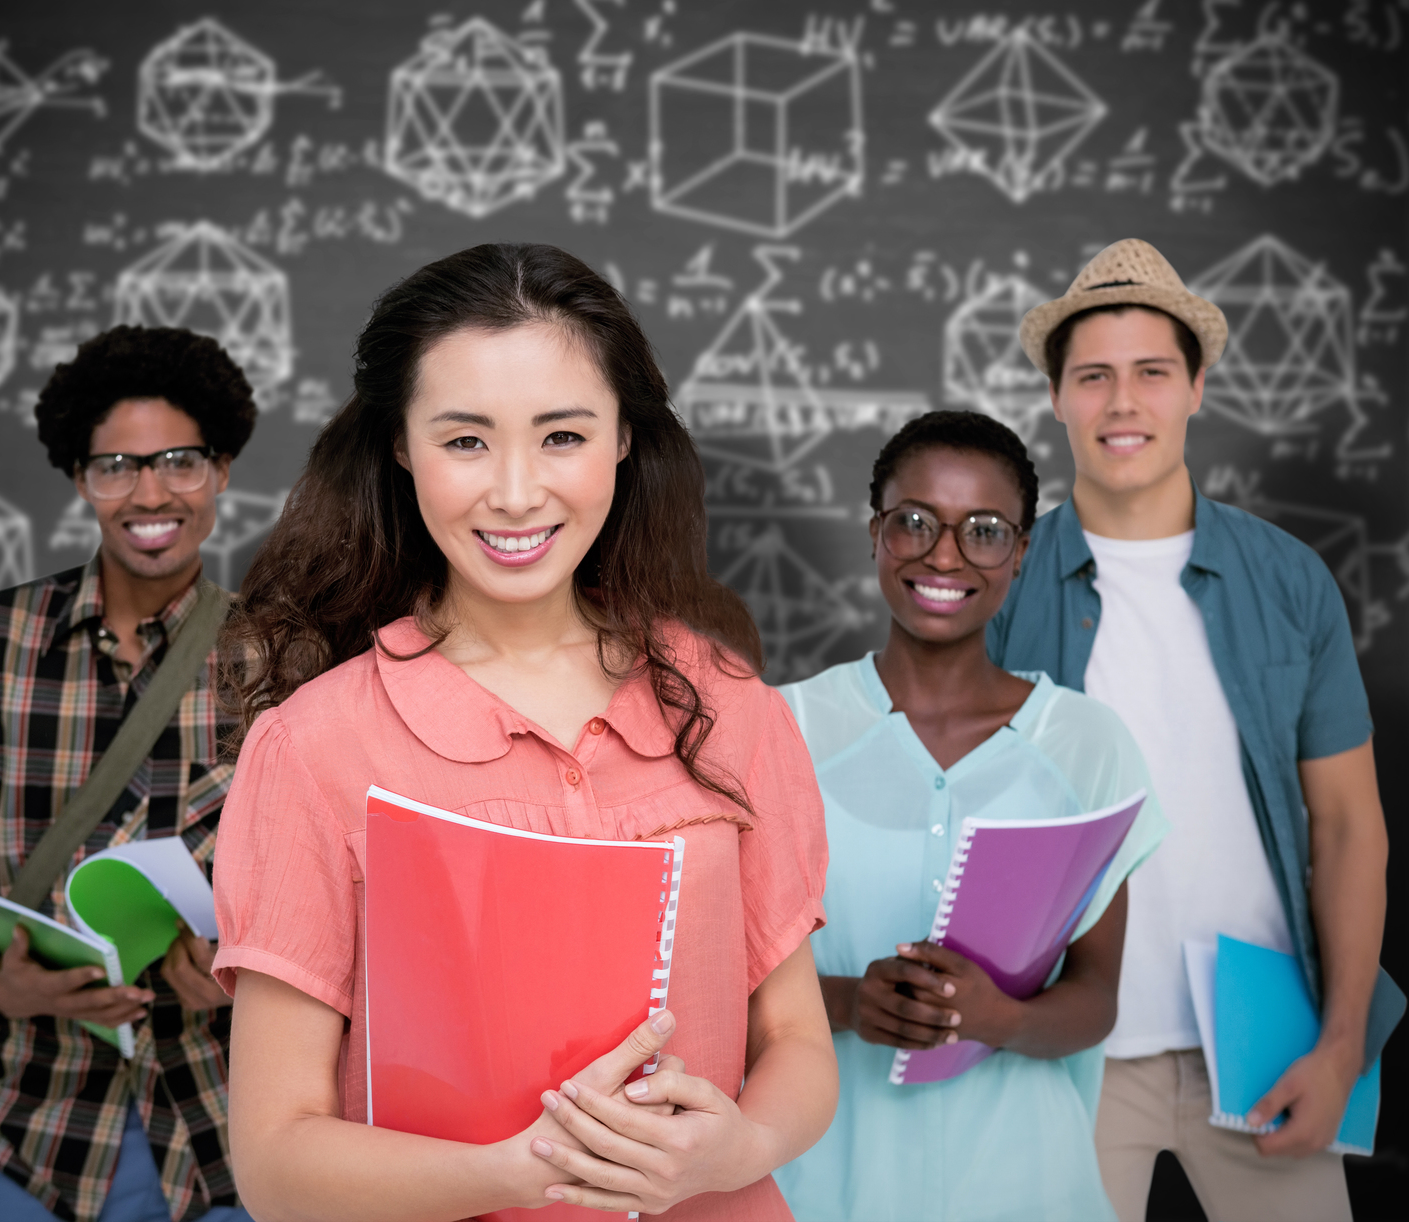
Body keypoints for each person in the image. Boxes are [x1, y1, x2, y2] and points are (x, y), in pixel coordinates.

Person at [207, 242, 838, 1221]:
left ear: (624, 438)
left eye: (561, 436)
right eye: (464, 440)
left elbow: (798, 1044)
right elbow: (278, 1162)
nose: (513, 491)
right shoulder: (314, 747)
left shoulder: (730, 703)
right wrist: (519, 1170)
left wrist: (738, 1145)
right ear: (399, 447)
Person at [991, 238, 1400, 1221]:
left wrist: (1341, 1045)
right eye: (1092, 376)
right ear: (1055, 398)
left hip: (1268, 1046)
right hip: (1061, 1057)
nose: (1121, 403)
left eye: (1150, 373)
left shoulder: (1290, 579)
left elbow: (1348, 822)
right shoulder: (997, 584)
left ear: (1196, 388)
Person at [0, 325, 260, 1222]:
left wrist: (239, 962)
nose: (151, 493)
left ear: (223, 470)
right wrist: (0, 983)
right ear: (79, 480)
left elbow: (333, 887)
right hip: (31, 1137)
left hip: (228, 1143)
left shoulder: (276, 655)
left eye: (179, 461)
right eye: (116, 466)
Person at [771, 411, 1168, 1221]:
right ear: (875, 533)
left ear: (1020, 552)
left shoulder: (1088, 745)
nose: (944, 555)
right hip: (825, 1191)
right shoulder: (782, 732)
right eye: (913, 522)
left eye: (984, 530)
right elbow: (715, 979)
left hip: (1028, 1188)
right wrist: (847, 1003)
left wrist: (997, 1018)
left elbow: (1095, 1000)